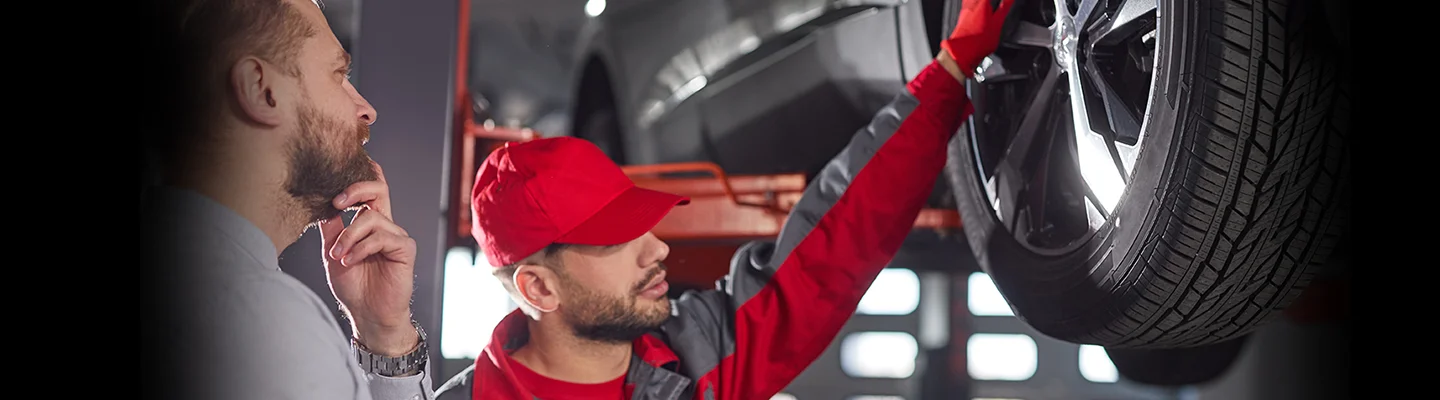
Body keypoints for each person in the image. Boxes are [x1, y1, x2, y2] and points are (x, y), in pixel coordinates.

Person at [435, 0, 1014, 398]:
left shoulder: (697, 361)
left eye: (644, 224)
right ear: (539, 287)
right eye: (617, 239)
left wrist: (948, 73)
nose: (656, 249)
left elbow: (831, 248)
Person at [140, 0, 434, 399]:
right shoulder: (259, 319)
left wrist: (381, 330)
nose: (366, 111)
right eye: (338, 74)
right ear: (261, 91)